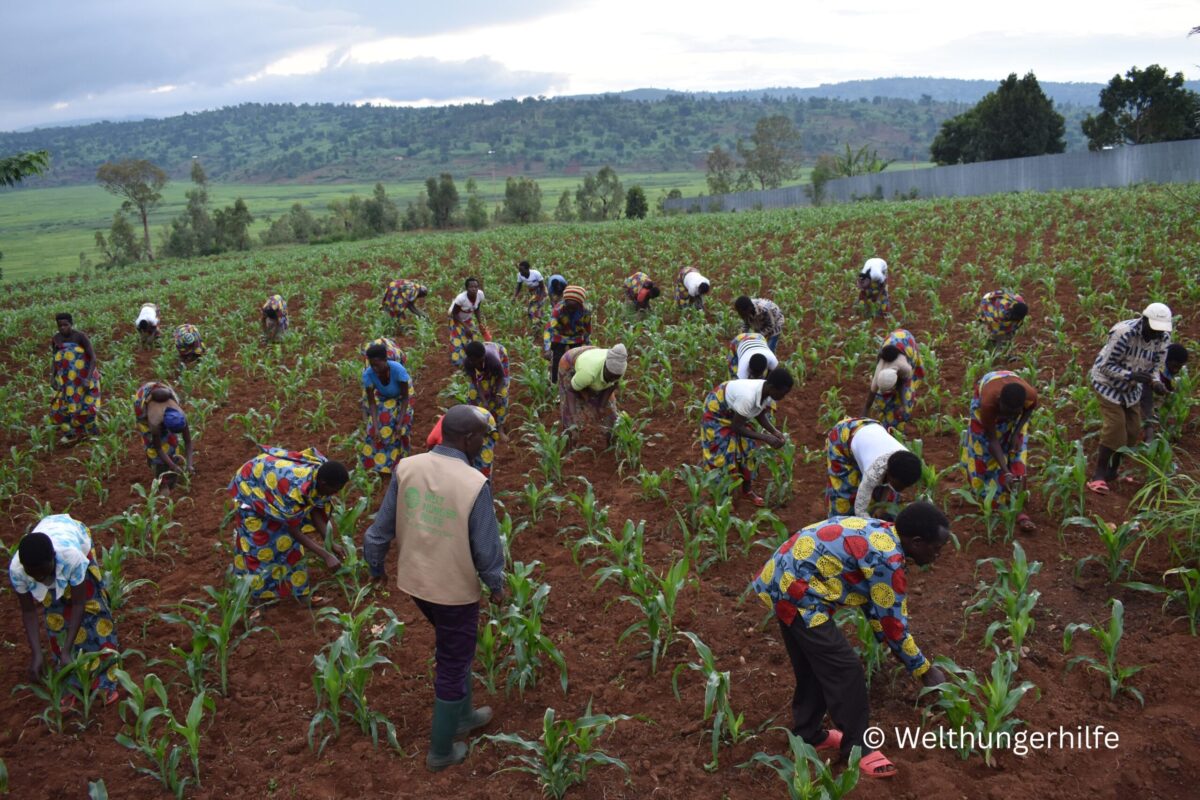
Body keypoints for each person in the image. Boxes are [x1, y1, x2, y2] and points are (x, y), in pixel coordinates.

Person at [750, 502, 952, 779]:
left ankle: (809, 734)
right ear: (916, 543)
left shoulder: (883, 531)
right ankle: (857, 749)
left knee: (814, 666)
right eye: (936, 548)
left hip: (782, 577)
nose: (938, 555)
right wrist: (924, 670)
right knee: (846, 670)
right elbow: (893, 626)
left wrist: (888, 638)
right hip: (798, 593)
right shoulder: (888, 560)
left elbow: (874, 602)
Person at [363, 405, 505, 772]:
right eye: (481, 439)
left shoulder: (407, 466)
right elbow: (486, 549)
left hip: (415, 581)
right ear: (468, 439)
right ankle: (441, 750)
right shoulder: (474, 483)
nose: (482, 445)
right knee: (454, 662)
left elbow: (380, 529)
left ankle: (464, 715)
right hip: (453, 590)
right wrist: (497, 587)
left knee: (457, 646)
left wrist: (375, 565)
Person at [10, 514, 122, 703]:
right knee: (56, 619)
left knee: (94, 612)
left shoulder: (71, 557)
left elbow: (80, 603)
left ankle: (106, 679)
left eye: (42, 572)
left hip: (74, 535)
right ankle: (72, 683)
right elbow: (29, 612)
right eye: (33, 574)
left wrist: (67, 650)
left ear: (53, 558)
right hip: (50, 544)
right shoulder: (18, 570)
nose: (38, 578)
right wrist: (37, 653)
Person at [227, 446, 348, 603]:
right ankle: (260, 601)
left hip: (274, 488)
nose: (335, 494)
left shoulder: (321, 475)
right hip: (251, 487)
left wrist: (330, 542)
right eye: (334, 490)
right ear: (324, 483)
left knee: (291, 547)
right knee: (260, 545)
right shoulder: (294, 488)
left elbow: (316, 507)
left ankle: (302, 595)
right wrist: (326, 556)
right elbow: (294, 530)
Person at [1087, 303, 1173, 494]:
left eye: (1160, 331)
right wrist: (1130, 375)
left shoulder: (1163, 338)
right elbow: (1105, 366)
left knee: (1133, 431)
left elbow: (1155, 367)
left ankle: (1113, 471)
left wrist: (1156, 383)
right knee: (1115, 427)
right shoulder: (1123, 333)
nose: (1156, 335)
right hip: (1107, 384)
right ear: (1144, 321)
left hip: (1132, 389)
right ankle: (1098, 475)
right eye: (1153, 330)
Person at [700, 368, 794, 507]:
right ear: (772, 387)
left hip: (734, 412)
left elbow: (759, 413)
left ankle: (747, 491)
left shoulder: (767, 392)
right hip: (716, 411)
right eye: (783, 393)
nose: (783, 397)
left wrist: (775, 432)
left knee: (748, 449)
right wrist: (765, 437)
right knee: (722, 453)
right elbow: (736, 428)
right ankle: (722, 496)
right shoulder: (748, 397)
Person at [960, 371, 1039, 529]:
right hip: (987, 397)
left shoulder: (1030, 396)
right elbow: (992, 439)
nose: (1007, 416)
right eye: (1004, 412)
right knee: (983, 454)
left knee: (1017, 452)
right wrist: (1005, 471)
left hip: (1010, 392)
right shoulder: (988, 403)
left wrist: (1016, 432)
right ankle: (990, 499)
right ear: (999, 402)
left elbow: (1029, 410)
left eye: (1013, 413)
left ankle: (1018, 506)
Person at [825, 419, 922, 519]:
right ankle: (836, 524)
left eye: (905, 486)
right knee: (844, 496)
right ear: (888, 473)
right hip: (844, 437)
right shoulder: (873, 474)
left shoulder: (907, 460)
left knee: (889, 499)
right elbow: (860, 511)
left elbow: (889, 487)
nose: (902, 489)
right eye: (899, 485)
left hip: (872, 431)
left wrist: (881, 507)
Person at [360, 339, 413, 473]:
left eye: (377, 365)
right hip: (384, 396)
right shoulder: (368, 375)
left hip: (402, 396)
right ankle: (378, 465)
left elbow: (405, 398)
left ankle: (400, 461)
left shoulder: (398, 370)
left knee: (400, 428)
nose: (375, 369)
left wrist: (400, 422)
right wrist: (376, 426)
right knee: (375, 427)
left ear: (385, 360)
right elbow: (372, 403)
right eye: (372, 365)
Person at [559, 343, 627, 446]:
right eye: (611, 375)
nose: (612, 379)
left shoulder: (620, 368)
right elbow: (570, 391)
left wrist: (601, 406)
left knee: (611, 412)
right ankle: (569, 442)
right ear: (605, 367)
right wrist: (573, 416)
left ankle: (612, 444)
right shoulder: (588, 373)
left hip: (593, 355)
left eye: (616, 376)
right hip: (570, 362)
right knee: (570, 411)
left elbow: (613, 384)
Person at [50, 312, 101, 444]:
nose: (62, 328)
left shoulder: (80, 336)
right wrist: (52, 377)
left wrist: (88, 379)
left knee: (86, 405)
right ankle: (72, 433)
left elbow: (93, 358)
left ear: (71, 324)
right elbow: (54, 359)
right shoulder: (56, 339)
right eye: (60, 325)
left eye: (65, 325)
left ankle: (90, 433)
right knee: (64, 406)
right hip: (67, 380)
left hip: (84, 377)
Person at [862, 329, 925, 434]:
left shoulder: (905, 368)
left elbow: (902, 385)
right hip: (890, 343)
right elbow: (869, 400)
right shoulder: (878, 373)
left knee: (907, 399)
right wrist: (862, 419)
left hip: (906, 341)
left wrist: (903, 405)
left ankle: (900, 425)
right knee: (881, 400)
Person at [133, 382, 194, 488]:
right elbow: (159, 448)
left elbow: (188, 442)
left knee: (171, 441)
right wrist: (173, 466)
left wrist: (189, 464)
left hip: (162, 390)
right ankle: (154, 463)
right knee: (151, 443)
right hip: (143, 399)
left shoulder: (182, 417)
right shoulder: (154, 422)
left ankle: (171, 459)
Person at [425, 407, 499, 479]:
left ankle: (484, 488)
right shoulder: (433, 442)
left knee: (483, 465)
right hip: (463, 415)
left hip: (483, 418)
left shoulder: (454, 442)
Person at [1141, 344, 1189, 441]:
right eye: (1174, 366)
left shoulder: (1177, 376)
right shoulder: (1155, 370)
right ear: (1166, 360)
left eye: (1179, 367)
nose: (1176, 370)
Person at [544, 285, 591, 383]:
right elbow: (549, 329)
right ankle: (554, 382)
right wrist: (547, 348)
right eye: (569, 307)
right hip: (560, 335)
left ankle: (575, 381)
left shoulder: (585, 311)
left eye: (574, 308)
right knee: (557, 359)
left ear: (580, 304)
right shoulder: (558, 310)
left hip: (576, 336)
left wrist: (587, 342)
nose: (570, 310)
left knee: (577, 359)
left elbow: (587, 327)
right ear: (565, 302)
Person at [464, 341, 510, 436]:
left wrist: (498, 394)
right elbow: (476, 382)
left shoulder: (493, 361)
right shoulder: (468, 363)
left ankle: (500, 427)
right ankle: (480, 424)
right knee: (473, 394)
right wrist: (484, 401)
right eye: (476, 362)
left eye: (481, 361)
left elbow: (501, 378)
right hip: (484, 358)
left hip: (499, 355)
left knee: (502, 395)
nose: (478, 364)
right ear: (470, 359)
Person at [448, 277, 487, 367]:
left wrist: (480, 323)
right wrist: (466, 327)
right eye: (471, 287)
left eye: (476, 287)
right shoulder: (461, 298)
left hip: (467, 318)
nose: (474, 289)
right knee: (457, 341)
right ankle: (458, 364)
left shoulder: (480, 294)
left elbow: (477, 308)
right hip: (455, 319)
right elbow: (454, 314)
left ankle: (473, 359)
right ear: (467, 288)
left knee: (473, 337)